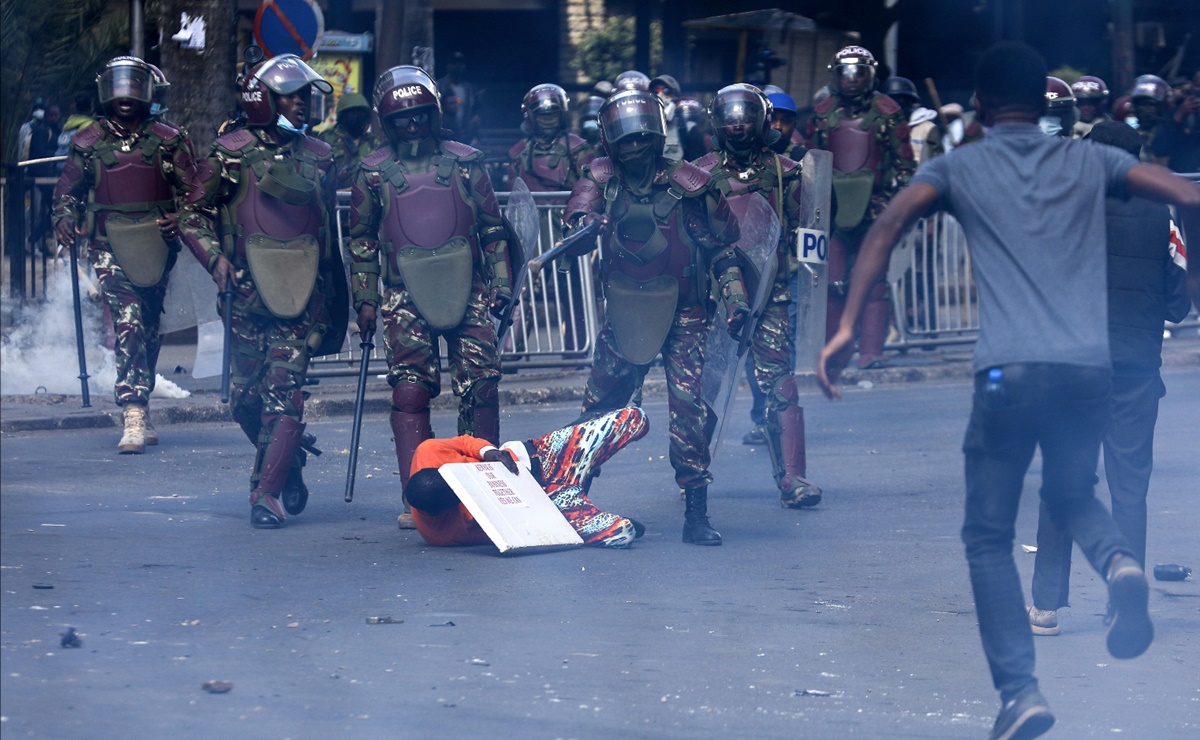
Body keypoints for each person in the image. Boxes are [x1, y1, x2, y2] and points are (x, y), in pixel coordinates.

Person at [816, 41, 1200, 740]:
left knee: (989, 535)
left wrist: (845, 328)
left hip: (1007, 373)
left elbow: (889, 223)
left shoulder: (965, 165)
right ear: (1052, 108)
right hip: (1089, 370)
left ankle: (1021, 692)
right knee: (1074, 493)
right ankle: (1118, 565)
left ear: (986, 108)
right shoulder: (1096, 160)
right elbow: (1186, 193)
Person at [1027, 120, 1192, 637]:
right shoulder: (1161, 216)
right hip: (1137, 372)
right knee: (1130, 489)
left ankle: (1048, 605)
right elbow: (1179, 303)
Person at [562, 89, 748, 546]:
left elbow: (723, 247)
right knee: (598, 409)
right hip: (626, 309)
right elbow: (577, 218)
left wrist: (736, 300)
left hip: (685, 312)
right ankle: (569, 497)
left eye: (641, 138)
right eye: (624, 140)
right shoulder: (602, 180)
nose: (634, 148)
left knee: (688, 410)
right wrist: (585, 226)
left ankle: (696, 514)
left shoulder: (691, 184)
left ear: (656, 135)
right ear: (610, 142)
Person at [180, 53, 342, 529]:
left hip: (303, 294)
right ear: (263, 100)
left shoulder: (321, 155)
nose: (301, 103)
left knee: (283, 393)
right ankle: (287, 463)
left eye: (304, 95)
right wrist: (215, 258)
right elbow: (192, 214)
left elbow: (328, 229)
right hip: (247, 295)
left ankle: (264, 493)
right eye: (291, 95)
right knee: (246, 402)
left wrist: (343, 299)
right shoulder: (228, 154)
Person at [348, 66, 512, 529]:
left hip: (470, 286)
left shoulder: (466, 162)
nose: (413, 125)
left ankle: (484, 489)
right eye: (402, 118)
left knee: (481, 384)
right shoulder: (373, 172)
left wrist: (501, 285)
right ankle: (417, 495)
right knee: (409, 390)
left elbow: (493, 228)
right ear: (387, 122)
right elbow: (360, 238)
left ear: (434, 114)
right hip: (403, 295)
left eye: (420, 115)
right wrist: (364, 298)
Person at [53, 57, 198, 455]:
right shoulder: (88, 140)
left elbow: (194, 189)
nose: (125, 95)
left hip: (155, 243)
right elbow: (67, 190)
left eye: (133, 87)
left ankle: (144, 402)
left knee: (148, 323)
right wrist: (64, 218)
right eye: (118, 87)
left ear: (148, 92)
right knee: (128, 318)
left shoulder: (169, 139)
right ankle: (132, 409)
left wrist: (181, 216)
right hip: (107, 243)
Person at [694, 84, 822, 509]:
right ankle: (692, 474)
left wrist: (811, 279)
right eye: (731, 116)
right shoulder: (699, 174)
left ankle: (794, 478)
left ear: (763, 120)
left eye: (747, 116)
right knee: (706, 386)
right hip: (716, 297)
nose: (739, 124)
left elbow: (811, 229)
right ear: (717, 121)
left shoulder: (787, 171)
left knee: (780, 384)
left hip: (773, 292)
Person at [806, 45, 916, 369]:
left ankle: (870, 350)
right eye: (846, 73)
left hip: (876, 208)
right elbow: (813, 161)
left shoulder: (887, 110)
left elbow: (905, 163)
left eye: (860, 73)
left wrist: (900, 206)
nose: (853, 80)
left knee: (874, 281)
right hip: (833, 210)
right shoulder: (823, 112)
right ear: (836, 76)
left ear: (871, 75)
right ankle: (836, 351)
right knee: (832, 282)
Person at [405, 407, 649, 549]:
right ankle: (581, 506)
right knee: (622, 533)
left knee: (636, 419)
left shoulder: (428, 451)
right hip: (546, 503)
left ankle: (578, 477)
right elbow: (508, 533)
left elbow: (465, 442)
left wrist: (489, 452)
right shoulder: (441, 533)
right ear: (441, 510)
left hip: (538, 456)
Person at [507, 83, 595, 196]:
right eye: (542, 116)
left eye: (553, 115)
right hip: (529, 213)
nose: (548, 120)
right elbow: (512, 195)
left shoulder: (578, 149)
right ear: (531, 117)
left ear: (562, 115)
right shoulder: (518, 153)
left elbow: (592, 191)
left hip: (571, 212)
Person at [319, 92, 380, 189]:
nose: (357, 116)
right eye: (353, 112)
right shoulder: (327, 139)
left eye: (360, 112)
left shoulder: (372, 141)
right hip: (334, 198)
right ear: (342, 115)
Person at [1150, 70, 1200, 173]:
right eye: (1198, 86)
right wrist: (1179, 116)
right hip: (1184, 178)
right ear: (1192, 86)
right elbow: (1159, 149)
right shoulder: (1175, 112)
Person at [885, 77, 942, 166]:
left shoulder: (927, 128)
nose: (895, 106)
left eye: (900, 100)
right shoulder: (882, 126)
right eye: (890, 101)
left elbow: (937, 161)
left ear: (911, 102)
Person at [437, 52, 481, 145]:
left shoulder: (469, 88)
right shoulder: (439, 86)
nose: (457, 67)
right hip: (445, 137)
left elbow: (476, 110)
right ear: (448, 66)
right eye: (454, 64)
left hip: (466, 136)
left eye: (460, 64)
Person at [1129, 74, 1170, 163]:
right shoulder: (1128, 136)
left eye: (1151, 105)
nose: (1146, 110)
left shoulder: (1171, 133)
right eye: (1142, 104)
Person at [764, 92, 808, 161]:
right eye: (772, 119)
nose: (778, 126)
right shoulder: (749, 153)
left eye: (785, 121)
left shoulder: (802, 158)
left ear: (794, 126)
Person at [650, 74, 683, 161]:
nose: (660, 95)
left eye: (666, 91)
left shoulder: (686, 127)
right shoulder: (643, 125)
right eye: (656, 92)